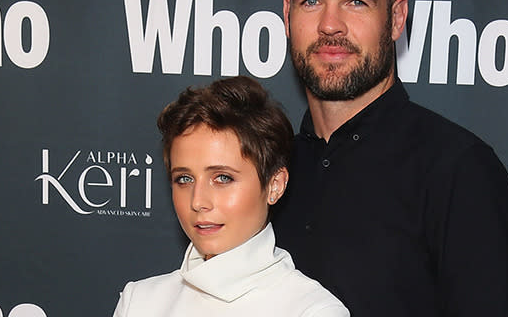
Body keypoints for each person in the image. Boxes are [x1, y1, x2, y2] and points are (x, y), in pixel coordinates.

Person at [273, 0, 508, 316]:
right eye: (311, 1)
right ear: (288, 14)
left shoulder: (459, 171)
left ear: (396, 18)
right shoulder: (267, 166)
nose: (330, 25)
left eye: (356, 1)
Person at [112, 76, 349, 317]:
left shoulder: (312, 310)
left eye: (223, 178)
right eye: (184, 179)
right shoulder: (140, 302)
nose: (198, 202)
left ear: (274, 185)